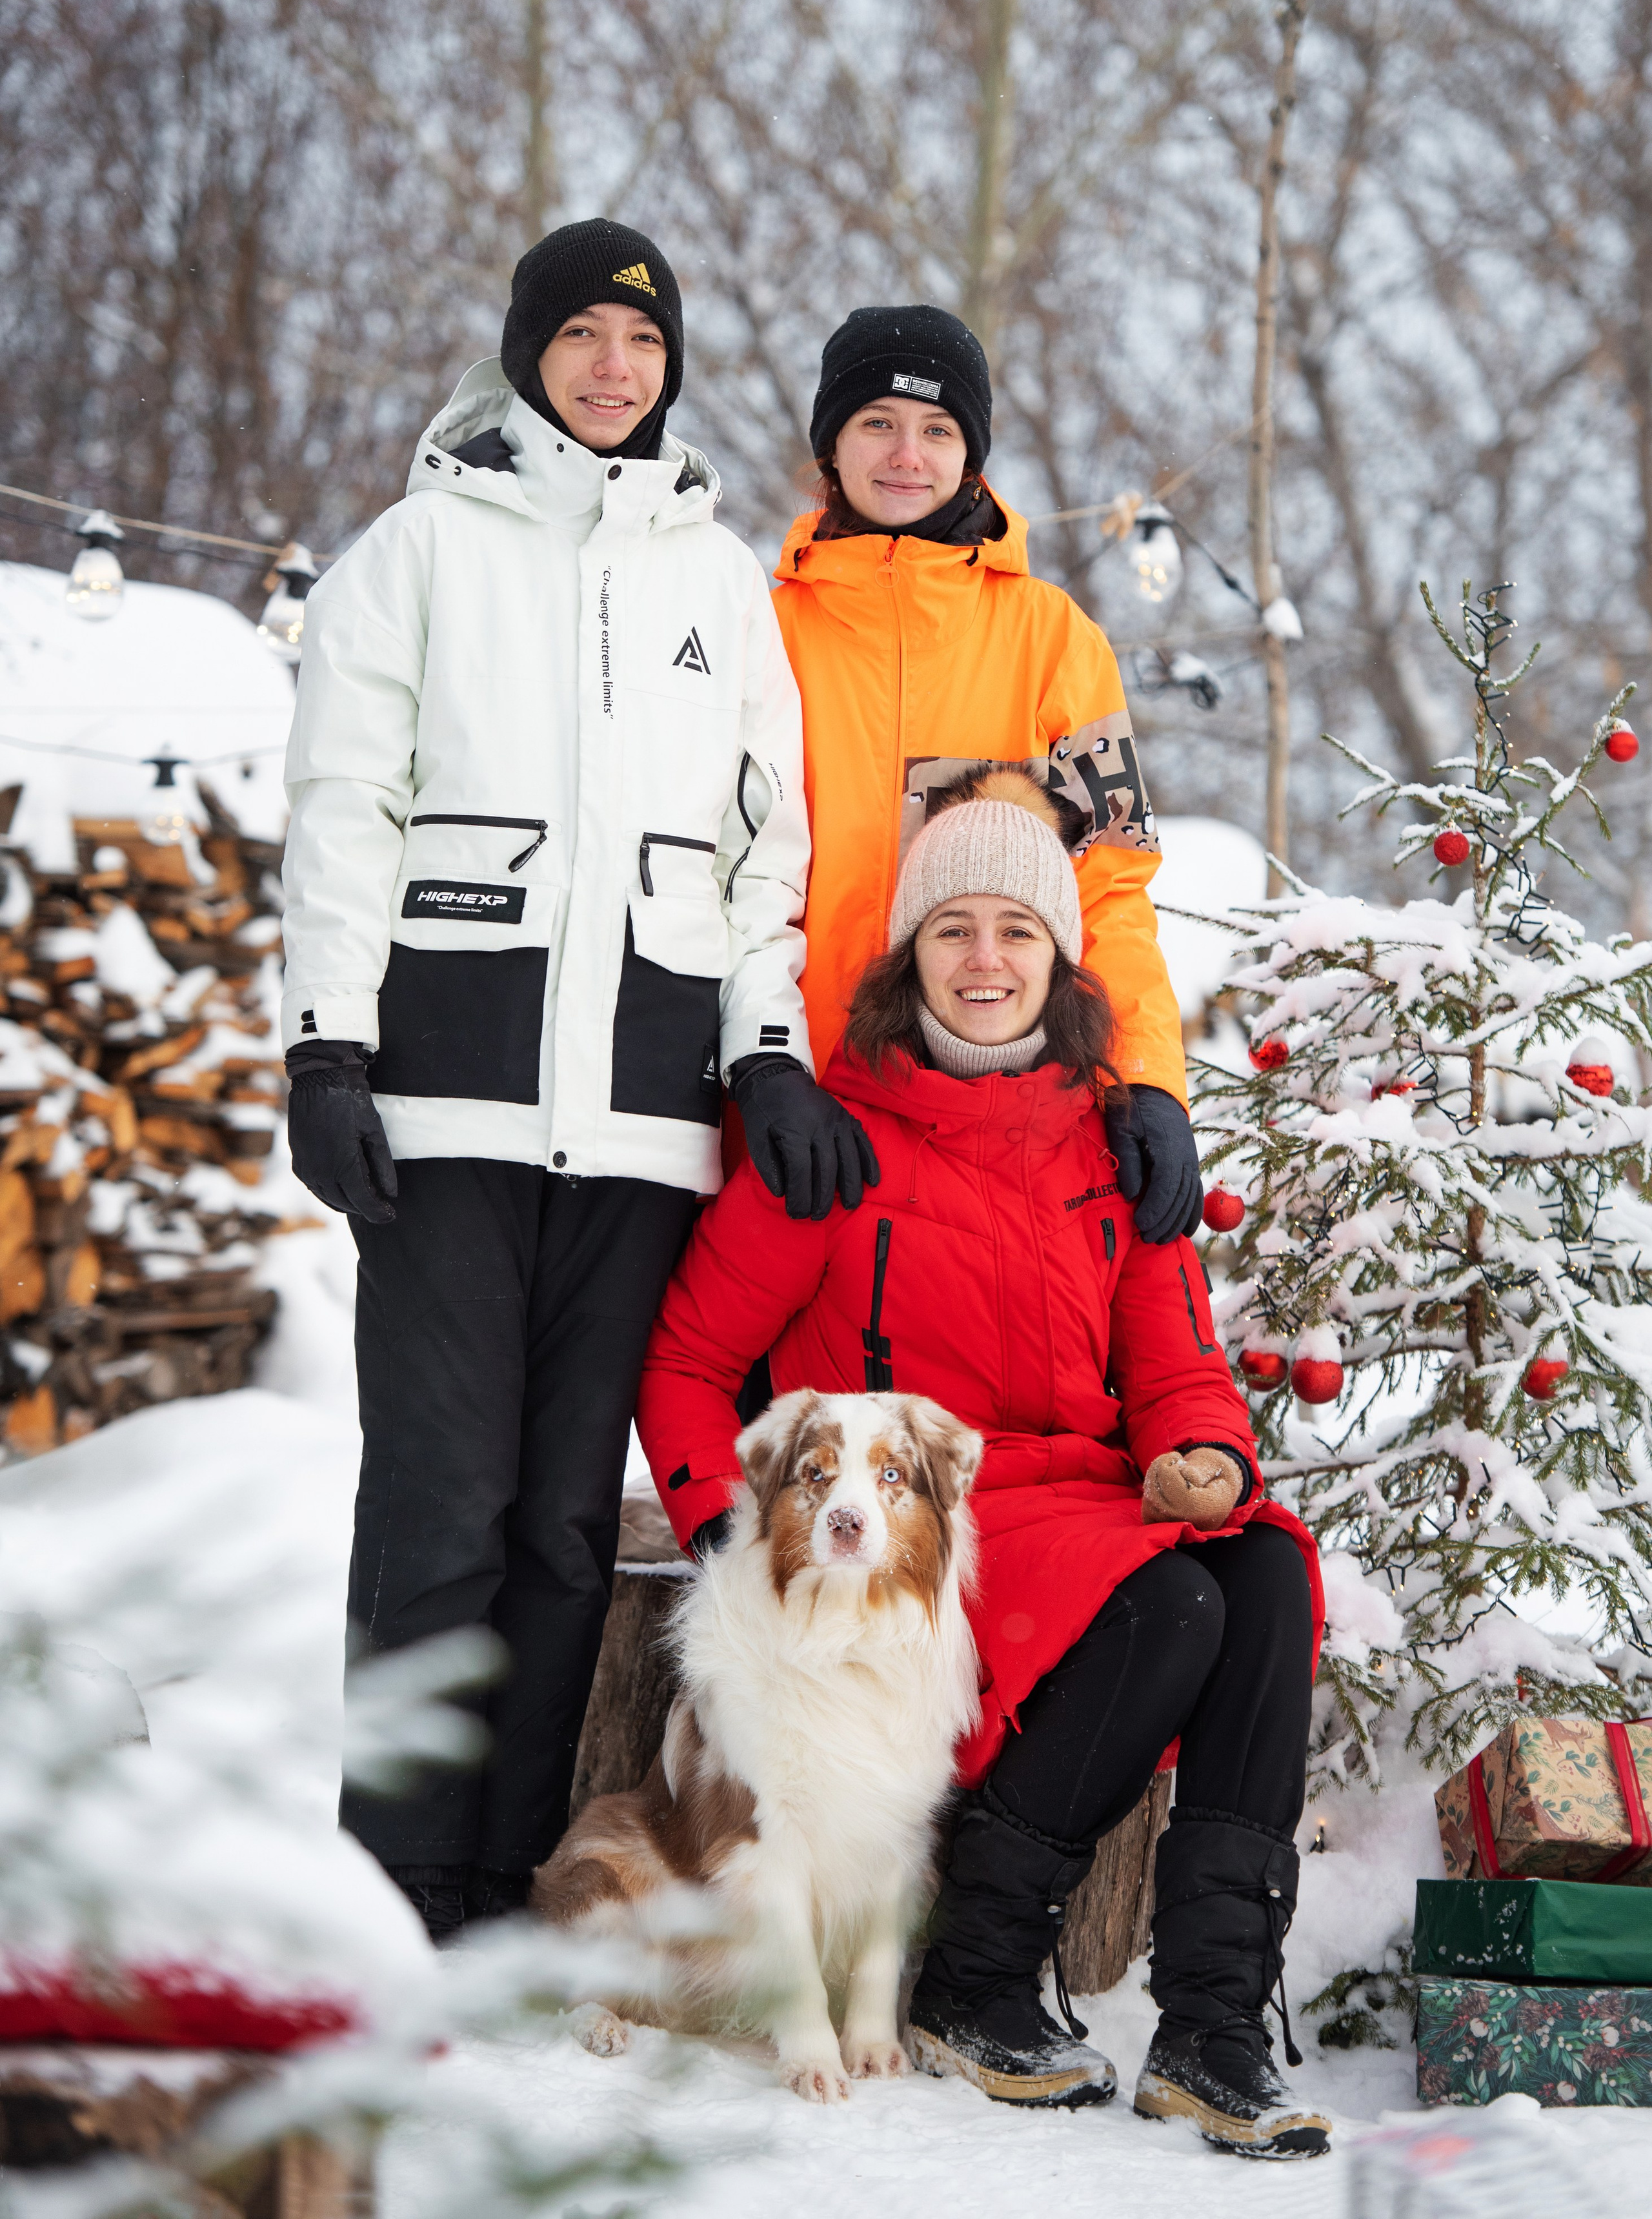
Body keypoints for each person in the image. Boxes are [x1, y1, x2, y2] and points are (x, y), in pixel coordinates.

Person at [279, 218, 872, 1940]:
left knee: (555, 1528)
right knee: (440, 1510)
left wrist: (764, 1051)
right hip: (444, 1108)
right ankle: (388, 1879)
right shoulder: (416, 552)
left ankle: (498, 1879)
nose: (617, 368)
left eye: (644, 341)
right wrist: (328, 1040)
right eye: (586, 336)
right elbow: (342, 816)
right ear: (530, 349)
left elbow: (772, 848)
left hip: (641, 1122)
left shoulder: (715, 581)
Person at [634, 770, 1329, 2158]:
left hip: (1087, 1495)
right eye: (951, 928)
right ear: (907, 956)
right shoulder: (826, 1143)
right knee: (1175, 1600)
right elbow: (687, 1365)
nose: (985, 960)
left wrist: (1200, 1449)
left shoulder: (1107, 1137)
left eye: (1017, 928)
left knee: (1262, 1565)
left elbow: (1177, 1363)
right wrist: (722, 1523)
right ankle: (974, 1969)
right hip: (922, 1520)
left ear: (1060, 957)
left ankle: (1210, 2022)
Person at [771, 303, 1200, 1245]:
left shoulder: (1057, 642)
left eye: (937, 429)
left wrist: (1148, 1079)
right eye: (876, 422)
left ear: (972, 457)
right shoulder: (762, 635)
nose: (905, 454)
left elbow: (1112, 888)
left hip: (994, 1132)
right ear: (830, 446)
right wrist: (760, 1074)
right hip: (790, 1119)